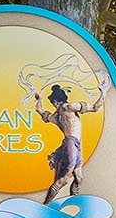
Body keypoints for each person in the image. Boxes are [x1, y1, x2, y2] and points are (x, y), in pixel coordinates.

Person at [35, 71, 109, 203]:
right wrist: (39, 100)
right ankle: (46, 204)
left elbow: (95, 108)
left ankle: (73, 201)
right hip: (70, 142)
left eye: (53, 103)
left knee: (79, 176)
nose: (53, 106)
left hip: (76, 144)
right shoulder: (58, 114)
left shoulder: (67, 107)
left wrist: (103, 92)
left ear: (57, 101)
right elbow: (41, 112)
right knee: (66, 176)